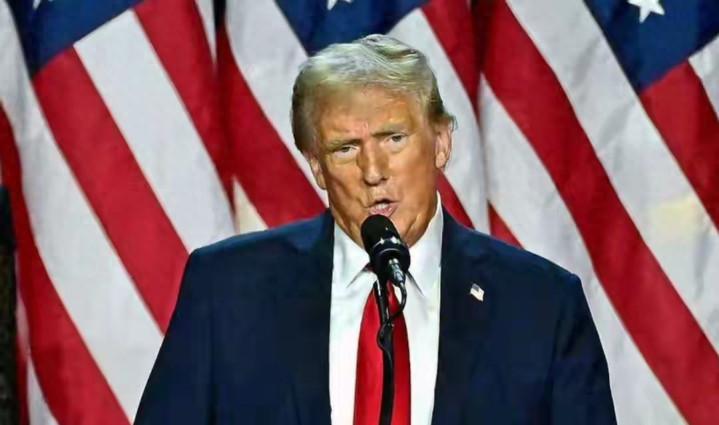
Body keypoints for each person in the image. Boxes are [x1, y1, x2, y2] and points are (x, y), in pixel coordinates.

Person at [134, 34, 616, 425]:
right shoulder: (227, 290)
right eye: (345, 148)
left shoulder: (541, 306)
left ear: (441, 142)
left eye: (394, 138)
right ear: (317, 167)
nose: (373, 170)